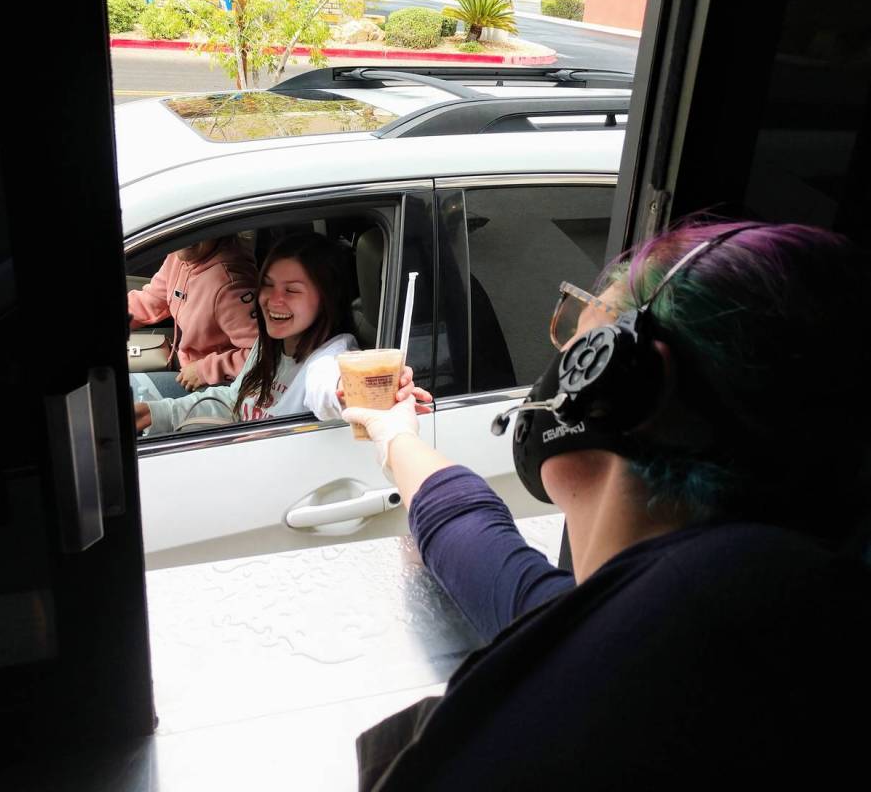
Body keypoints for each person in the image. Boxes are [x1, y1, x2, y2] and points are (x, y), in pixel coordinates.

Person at [342, 220, 871, 790]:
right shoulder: (747, 598)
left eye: (583, 341)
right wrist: (394, 435)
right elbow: (489, 556)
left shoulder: (672, 643)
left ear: (617, 377)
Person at [134, 232, 416, 434]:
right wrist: (154, 413)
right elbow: (234, 401)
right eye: (267, 285)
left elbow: (328, 385)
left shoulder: (331, 357)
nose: (273, 300)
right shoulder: (272, 344)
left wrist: (349, 391)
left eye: (292, 290)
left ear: (326, 297)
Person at [128, 235, 258, 396]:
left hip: (217, 386)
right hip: (186, 366)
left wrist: (205, 370)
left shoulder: (229, 285)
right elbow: (150, 301)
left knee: (123, 396)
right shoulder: (178, 257)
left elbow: (264, 354)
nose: (185, 239)